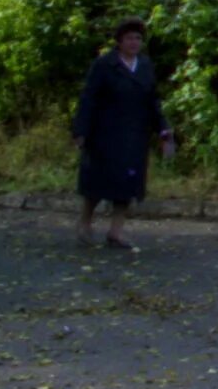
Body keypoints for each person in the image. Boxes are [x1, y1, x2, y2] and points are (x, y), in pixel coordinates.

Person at [72, 20, 173, 250]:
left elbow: (152, 100)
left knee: (128, 183)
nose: (134, 43)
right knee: (97, 181)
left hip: (134, 134)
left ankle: (116, 232)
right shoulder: (104, 64)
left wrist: (163, 128)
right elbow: (88, 98)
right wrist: (81, 130)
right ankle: (85, 223)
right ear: (119, 41)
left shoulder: (145, 65)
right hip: (105, 133)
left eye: (137, 38)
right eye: (129, 38)